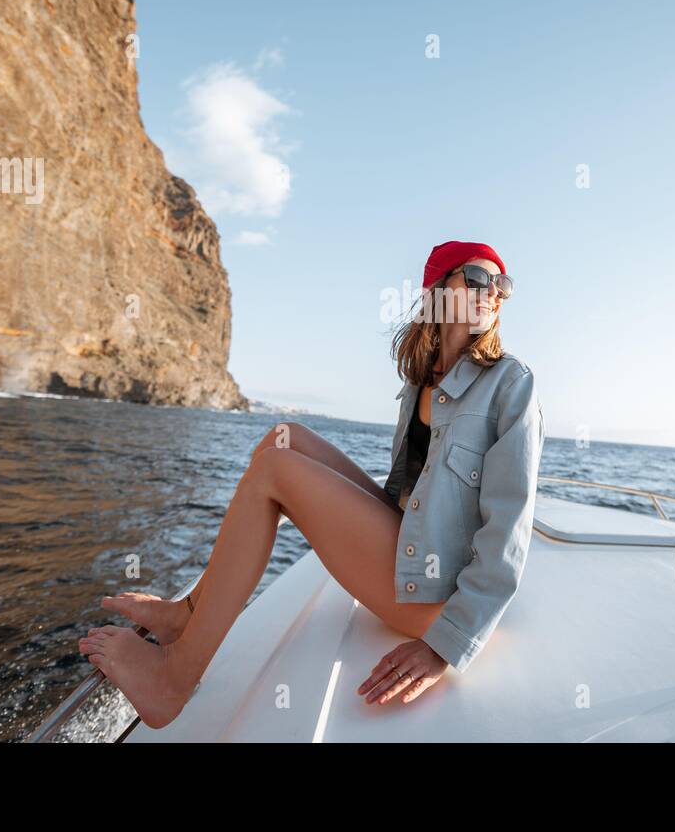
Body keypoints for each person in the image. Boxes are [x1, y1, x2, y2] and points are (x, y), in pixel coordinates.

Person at [79, 240, 544, 729]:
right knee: (283, 438)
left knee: (274, 473)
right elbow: (410, 497)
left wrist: (446, 646)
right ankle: (187, 613)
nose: (492, 292)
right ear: (436, 290)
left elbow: (510, 529)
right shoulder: (423, 383)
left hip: (436, 597)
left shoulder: (511, 383)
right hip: (412, 546)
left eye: (502, 285)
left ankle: (172, 680)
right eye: (477, 278)